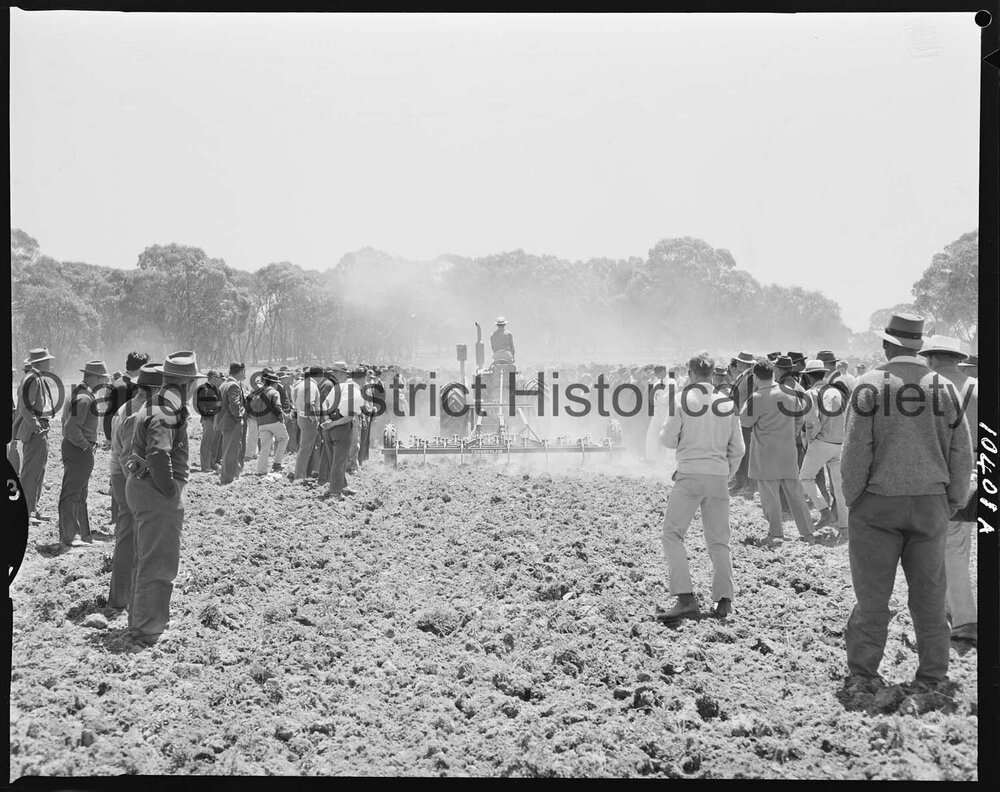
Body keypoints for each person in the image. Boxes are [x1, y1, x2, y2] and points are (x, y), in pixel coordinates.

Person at [841, 314, 972, 690]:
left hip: (878, 505)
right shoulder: (943, 388)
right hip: (931, 504)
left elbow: (855, 454)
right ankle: (932, 675)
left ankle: (864, 674)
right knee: (930, 596)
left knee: (872, 598)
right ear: (919, 347)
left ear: (886, 345)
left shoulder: (869, 385)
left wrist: (855, 499)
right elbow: (960, 450)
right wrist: (952, 500)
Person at [656, 352, 745, 621]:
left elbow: (669, 440)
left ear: (692, 374)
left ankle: (685, 598)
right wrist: (726, 472)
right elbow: (738, 449)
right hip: (718, 476)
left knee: (672, 535)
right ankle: (724, 601)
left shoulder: (682, 400)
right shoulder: (727, 404)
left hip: (690, 473)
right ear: (712, 375)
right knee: (719, 540)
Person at [125, 351, 202, 648]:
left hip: (145, 487)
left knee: (146, 557)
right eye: (194, 381)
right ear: (186, 383)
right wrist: (170, 491)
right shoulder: (166, 409)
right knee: (159, 562)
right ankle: (148, 628)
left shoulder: (158, 404)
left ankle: (141, 620)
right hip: (156, 492)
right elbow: (158, 454)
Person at [918, 334, 978, 645]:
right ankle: (946, 610)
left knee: (942, 549)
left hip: (939, 476)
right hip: (977, 475)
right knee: (956, 547)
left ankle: (965, 621)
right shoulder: (978, 387)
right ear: (957, 358)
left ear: (931, 358)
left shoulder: (928, 390)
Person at [740, 357, 816, 545]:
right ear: (773, 373)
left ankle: (776, 533)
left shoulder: (756, 398)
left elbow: (745, 422)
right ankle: (808, 533)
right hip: (788, 450)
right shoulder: (789, 393)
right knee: (795, 493)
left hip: (765, 453)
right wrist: (791, 433)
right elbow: (799, 420)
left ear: (756, 378)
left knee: (769, 495)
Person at [107, 363, 161, 613]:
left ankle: (126, 595)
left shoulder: (135, 407)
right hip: (128, 479)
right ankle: (121, 598)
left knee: (132, 535)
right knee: (129, 536)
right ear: (153, 389)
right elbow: (129, 459)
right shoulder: (136, 411)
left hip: (127, 477)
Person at [58, 360, 110, 547]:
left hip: (76, 448)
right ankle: (70, 537)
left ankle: (82, 535)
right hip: (79, 449)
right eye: (103, 378)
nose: (105, 381)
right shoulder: (84, 398)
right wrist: (85, 447)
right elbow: (71, 428)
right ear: (95, 377)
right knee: (73, 493)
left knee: (79, 493)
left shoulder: (80, 393)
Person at [799, 358, 849, 537]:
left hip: (822, 441)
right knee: (838, 485)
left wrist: (810, 441)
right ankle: (844, 526)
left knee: (805, 477)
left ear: (808, 377)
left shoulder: (809, 394)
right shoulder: (836, 391)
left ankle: (824, 511)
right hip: (840, 442)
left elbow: (812, 422)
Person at [14, 348, 57, 524]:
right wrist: (36, 426)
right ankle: (26, 511)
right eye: (48, 360)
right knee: (31, 472)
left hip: (40, 429)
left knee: (39, 471)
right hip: (36, 431)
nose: (50, 363)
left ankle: (32, 508)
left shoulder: (35, 378)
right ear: (41, 362)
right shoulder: (32, 379)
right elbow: (26, 407)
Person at [320, 362, 358, 501]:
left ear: (342, 373)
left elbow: (324, 404)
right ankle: (335, 492)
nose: (333, 374)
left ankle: (342, 486)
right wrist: (332, 422)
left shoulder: (336, 387)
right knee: (338, 461)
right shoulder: (351, 388)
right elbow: (350, 415)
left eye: (335, 372)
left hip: (330, 427)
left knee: (334, 460)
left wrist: (327, 420)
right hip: (341, 427)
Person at [728, 351, 756, 494]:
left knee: (745, 452)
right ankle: (741, 482)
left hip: (744, 419)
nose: (737, 364)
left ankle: (747, 484)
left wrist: (747, 418)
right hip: (739, 416)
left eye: (739, 362)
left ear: (744, 363)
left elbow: (751, 399)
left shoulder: (749, 377)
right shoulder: (744, 376)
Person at [252, 370, 290, 475]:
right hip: (274, 421)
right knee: (284, 439)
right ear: (274, 383)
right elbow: (277, 407)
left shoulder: (258, 393)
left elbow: (253, 407)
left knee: (265, 447)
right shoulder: (274, 392)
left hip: (261, 423)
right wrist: (282, 419)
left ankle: (261, 471)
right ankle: (277, 463)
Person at [215, 363, 247, 485]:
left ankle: (231, 475)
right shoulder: (234, 385)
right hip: (232, 422)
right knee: (231, 451)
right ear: (241, 371)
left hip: (225, 422)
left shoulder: (224, 384)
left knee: (229, 449)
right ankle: (228, 478)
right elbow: (234, 405)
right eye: (244, 372)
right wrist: (239, 416)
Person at [292, 366, 323, 481]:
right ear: (320, 375)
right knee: (305, 448)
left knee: (308, 447)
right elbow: (309, 403)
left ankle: (307, 472)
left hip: (302, 417)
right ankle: (299, 475)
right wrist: (314, 419)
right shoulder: (312, 385)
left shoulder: (304, 383)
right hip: (308, 419)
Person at [195, 370, 224, 472]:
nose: (218, 379)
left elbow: (219, 403)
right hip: (209, 419)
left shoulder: (217, 389)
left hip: (216, 418)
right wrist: (207, 415)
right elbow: (199, 404)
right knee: (207, 442)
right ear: (210, 377)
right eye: (216, 377)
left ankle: (212, 463)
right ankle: (205, 465)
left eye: (218, 377)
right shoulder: (203, 388)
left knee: (214, 442)